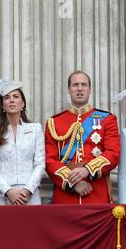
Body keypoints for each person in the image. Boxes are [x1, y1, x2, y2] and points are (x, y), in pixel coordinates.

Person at [45, 71, 120, 204]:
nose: (79, 88)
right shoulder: (54, 122)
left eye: (83, 85)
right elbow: (49, 160)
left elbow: (113, 153)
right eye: (75, 85)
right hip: (66, 195)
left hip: (96, 191)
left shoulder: (107, 119)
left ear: (89, 89)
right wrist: (72, 182)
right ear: (69, 90)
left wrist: (87, 170)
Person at [0, 80, 45, 205]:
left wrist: (28, 189)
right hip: (4, 196)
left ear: (22, 103)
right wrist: (8, 191)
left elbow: (40, 164)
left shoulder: (35, 129)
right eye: (7, 97)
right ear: (2, 105)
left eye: (16, 96)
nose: (11, 100)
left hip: (30, 195)